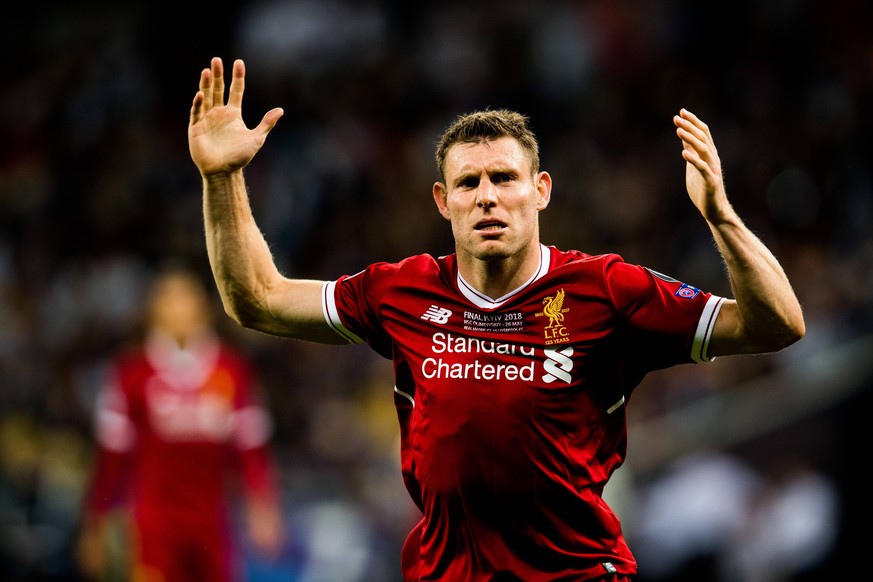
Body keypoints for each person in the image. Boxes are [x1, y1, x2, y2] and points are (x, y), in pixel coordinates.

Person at [187, 57, 805, 581]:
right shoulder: (400, 290)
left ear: (540, 190)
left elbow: (777, 324)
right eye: (469, 182)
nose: (488, 195)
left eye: (505, 178)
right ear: (443, 200)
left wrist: (721, 216)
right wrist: (223, 178)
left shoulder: (606, 289)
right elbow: (258, 299)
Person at [76, 262, 284, 582]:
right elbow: (112, 456)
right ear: (152, 310)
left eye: (184, 297)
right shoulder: (132, 373)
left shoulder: (232, 371)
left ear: (203, 307)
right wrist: (96, 522)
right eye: (168, 298)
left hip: (213, 524)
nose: (177, 307)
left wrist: (262, 506)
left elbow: (250, 449)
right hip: (153, 526)